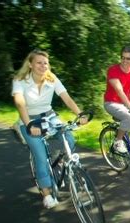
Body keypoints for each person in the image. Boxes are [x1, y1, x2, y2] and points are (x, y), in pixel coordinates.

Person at [12, 49, 88, 209]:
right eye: (39, 62)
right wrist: (29, 125)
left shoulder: (52, 79)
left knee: (69, 138)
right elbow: (20, 103)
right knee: (40, 155)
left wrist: (80, 114)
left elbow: (66, 97)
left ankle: (66, 166)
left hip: (49, 117)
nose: (43, 65)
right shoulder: (20, 80)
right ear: (30, 64)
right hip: (29, 119)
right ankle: (46, 193)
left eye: (45, 63)